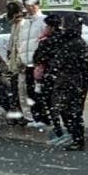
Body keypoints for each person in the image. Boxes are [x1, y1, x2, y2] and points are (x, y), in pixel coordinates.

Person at [49, 12, 88, 151]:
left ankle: (77, 139)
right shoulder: (70, 41)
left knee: (71, 111)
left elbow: (85, 67)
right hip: (70, 80)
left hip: (72, 80)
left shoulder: (73, 43)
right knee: (68, 110)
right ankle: (75, 137)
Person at [14, 0, 47, 127]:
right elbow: (20, 42)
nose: (30, 8)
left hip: (38, 63)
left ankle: (42, 118)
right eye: (27, 5)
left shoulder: (43, 20)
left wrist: (42, 59)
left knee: (38, 92)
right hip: (26, 63)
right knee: (27, 92)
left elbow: (44, 40)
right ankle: (31, 117)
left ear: (38, 5)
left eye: (33, 5)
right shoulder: (25, 22)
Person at [32, 13, 66, 143]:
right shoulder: (66, 39)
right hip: (65, 75)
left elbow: (38, 58)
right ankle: (69, 132)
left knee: (51, 104)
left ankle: (58, 132)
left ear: (51, 27)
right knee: (65, 104)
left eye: (47, 26)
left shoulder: (46, 41)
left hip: (49, 75)